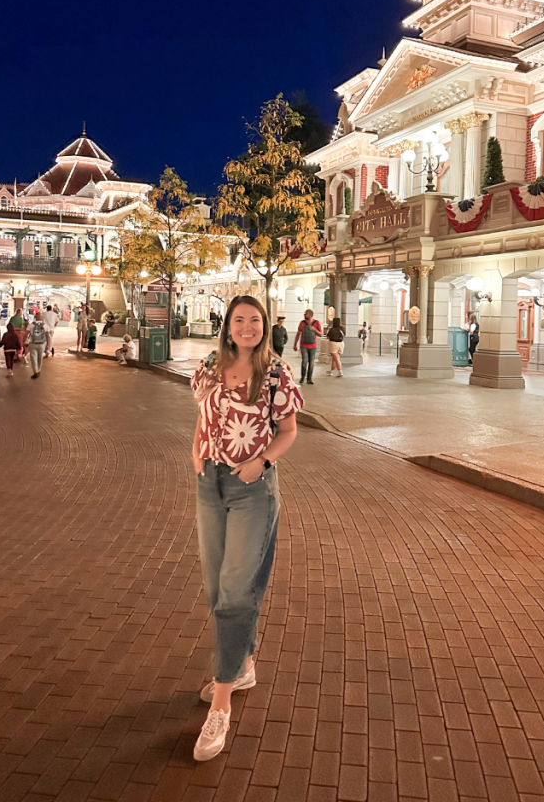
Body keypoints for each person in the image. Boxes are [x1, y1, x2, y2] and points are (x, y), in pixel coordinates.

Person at [190, 295, 302, 762]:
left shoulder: (276, 373)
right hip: (209, 483)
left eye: (255, 320)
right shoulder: (211, 366)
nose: (248, 327)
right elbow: (203, 415)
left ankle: (221, 700)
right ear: (228, 326)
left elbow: (290, 429)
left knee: (237, 590)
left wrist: (263, 461)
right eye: (240, 320)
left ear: (265, 326)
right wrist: (194, 451)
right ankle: (244, 665)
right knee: (218, 587)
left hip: (252, 488)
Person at [293, 308, 323, 385]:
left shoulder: (317, 323)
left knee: (311, 362)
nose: (304, 315)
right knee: (304, 361)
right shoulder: (302, 323)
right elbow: (298, 333)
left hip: (313, 346)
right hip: (303, 345)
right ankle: (302, 377)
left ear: (311, 315)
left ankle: (309, 378)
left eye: (306, 313)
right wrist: (295, 344)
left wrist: (314, 330)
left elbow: (320, 334)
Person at [27, 313, 47, 378]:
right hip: (42, 344)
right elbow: (48, 336)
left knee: (33, 357)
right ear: (41, 317)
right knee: (40, 357)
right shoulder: (45, 325)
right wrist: (48, 345)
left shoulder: (31, 325)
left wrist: (24, 341)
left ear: (35, 317)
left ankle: (36, 371)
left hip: (33, 343)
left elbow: (26, 334)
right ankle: (39, 370)